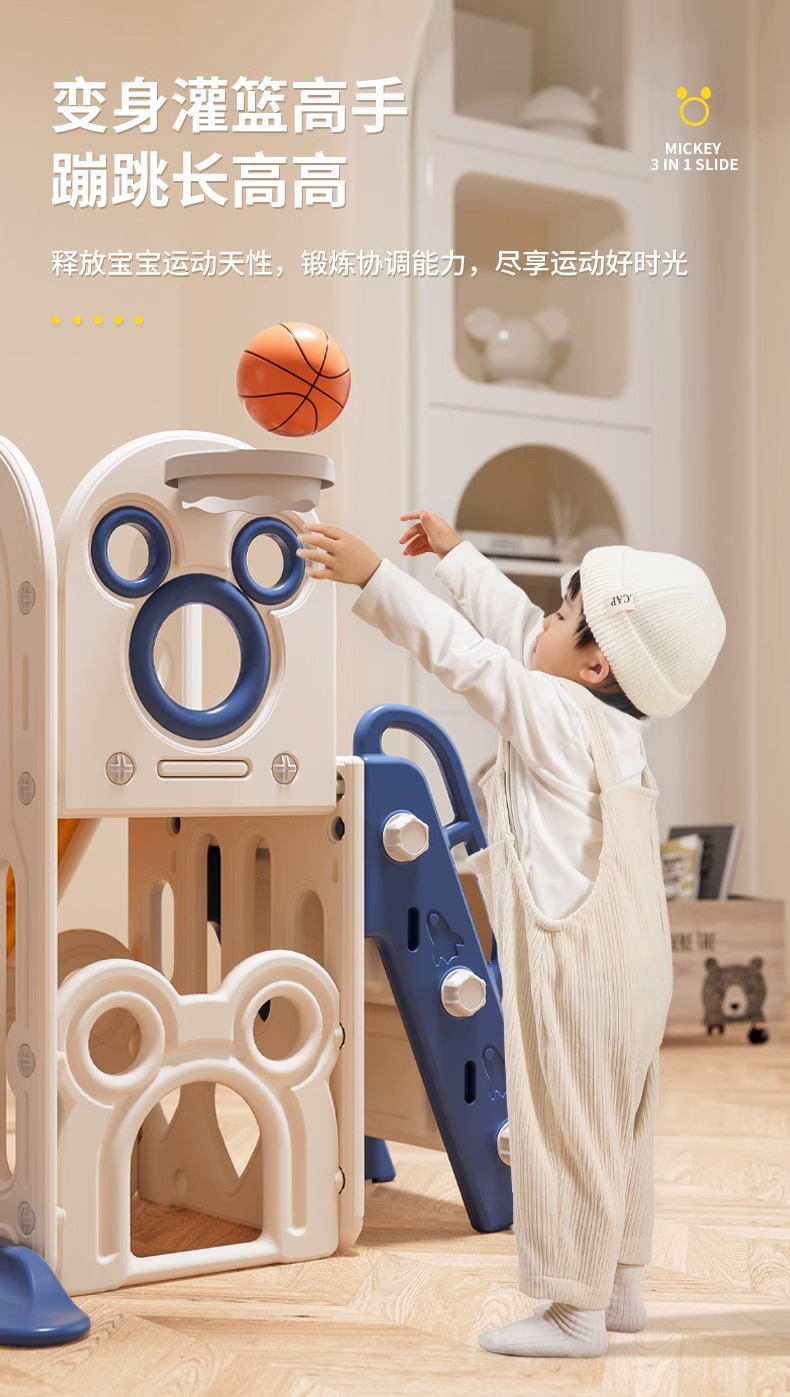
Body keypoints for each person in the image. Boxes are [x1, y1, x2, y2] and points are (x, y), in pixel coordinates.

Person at [296, 510, 726, 1360]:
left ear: (596, 665)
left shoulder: (552, 712)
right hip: (637, 966)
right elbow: (519, 632)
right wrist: (459, 558)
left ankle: (573, 1313)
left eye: (563, 615)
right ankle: (622, 1285)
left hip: (577, 967)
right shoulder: (616, 726)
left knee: (563, 1126)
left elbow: (472, 657)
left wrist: (377, 578)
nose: (543, 621)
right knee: (620, 1122)